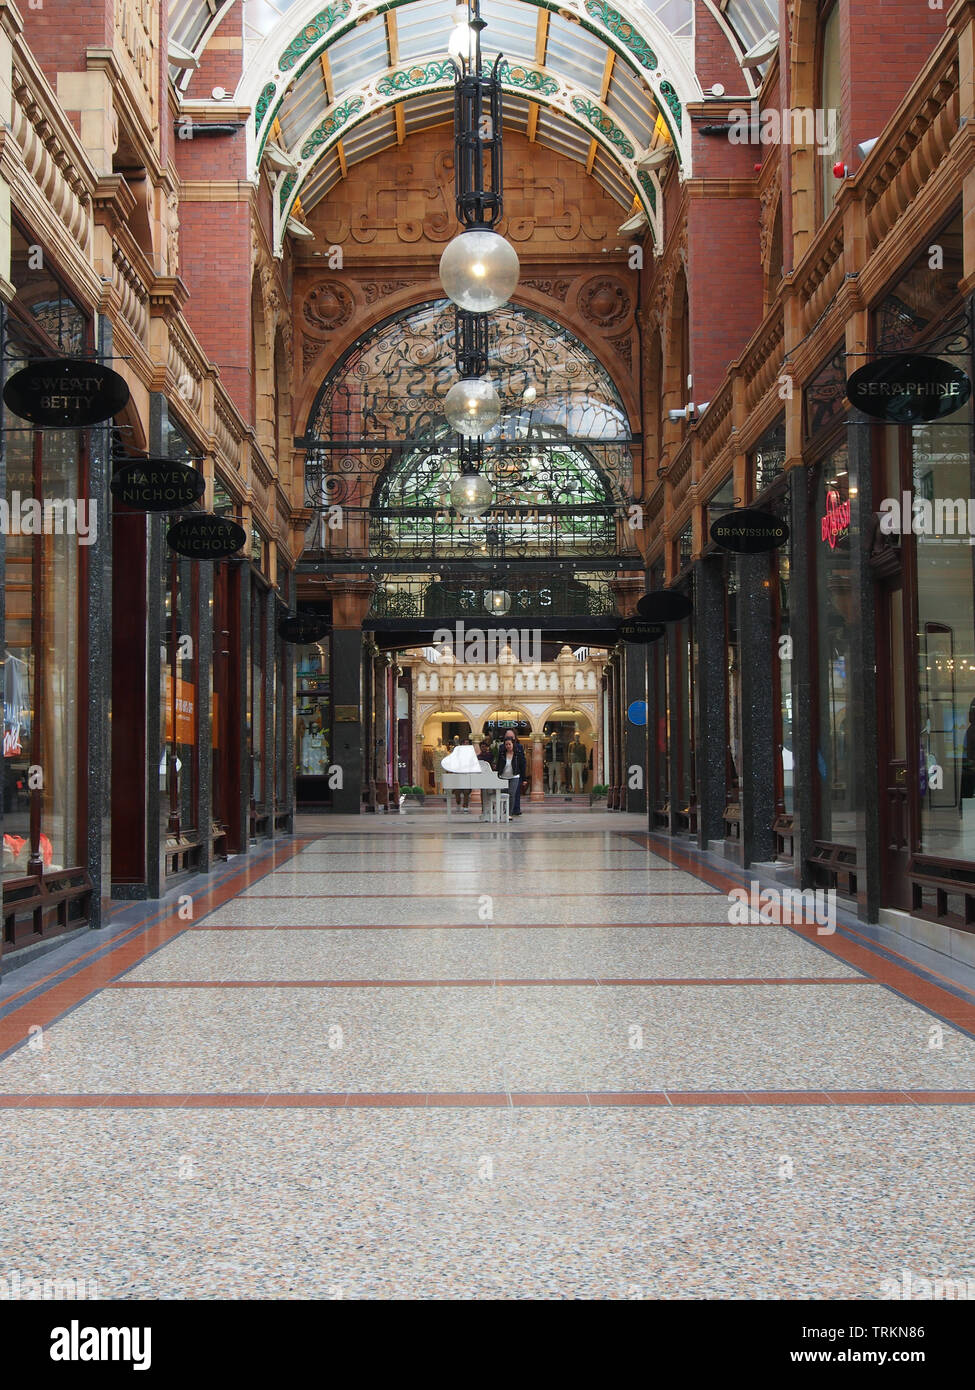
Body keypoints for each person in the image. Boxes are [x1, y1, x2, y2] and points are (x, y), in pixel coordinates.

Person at [496, 731, 527, 816]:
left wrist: (524, 778)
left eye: (510, 744)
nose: (508, 746)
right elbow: (498, 763)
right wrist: (497, 774)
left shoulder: (518, 751)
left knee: (512, 794)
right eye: (507, 744)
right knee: (503, 794)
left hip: (514, 776)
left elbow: (522, 763)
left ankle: (510, 813)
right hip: (503, 776)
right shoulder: (502, 751)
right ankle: (503, 811)